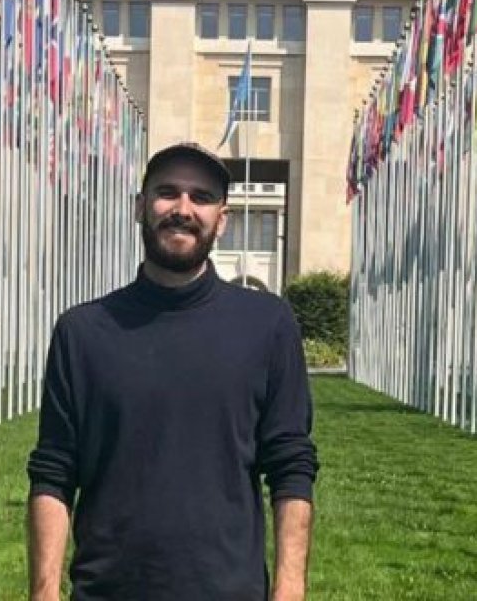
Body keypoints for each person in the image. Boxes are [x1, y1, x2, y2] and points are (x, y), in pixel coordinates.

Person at [26, 142, 319, 600]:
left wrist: (289, 589)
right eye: (168, 192)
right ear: (140, 207)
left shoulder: (268, 325)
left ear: (221, 219)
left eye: (201, 197)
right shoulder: (82, 333)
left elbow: (292, 467)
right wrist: (43, 593)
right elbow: (54, 471)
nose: (183, 208)